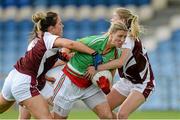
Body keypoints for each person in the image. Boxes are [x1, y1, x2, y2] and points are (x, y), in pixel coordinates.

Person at [0, 11, 103, 119]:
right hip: (24, 82)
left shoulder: (37, 42)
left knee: (3, 108)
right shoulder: (48, 38)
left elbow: (37, 65)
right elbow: (71, 44)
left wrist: (45, 74)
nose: (62, 26)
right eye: (59, 23)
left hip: (15, 76)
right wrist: (94, 53)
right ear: (51, 28)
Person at [86, 7, 155, 119]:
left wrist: (97, 68)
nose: (111, 19)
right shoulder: (116, 37)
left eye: (114, 17)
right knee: (104, 112)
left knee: (122, 114)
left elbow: (120, 62)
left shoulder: (128, 38)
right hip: (126, 81)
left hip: (143, 83)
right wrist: (110, 82)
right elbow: (113, 62)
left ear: (122, 20)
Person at [52, 22, 128, 119]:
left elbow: (110, 75)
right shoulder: (96, 41)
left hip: (89, 86)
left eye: (125, 37)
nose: (122, 40)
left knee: (107, 116)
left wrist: (106, 84)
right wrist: (65, 53)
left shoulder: (116, 53)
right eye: (120, 36)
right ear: (111, 33)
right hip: (69, 82)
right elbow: (70, 46)